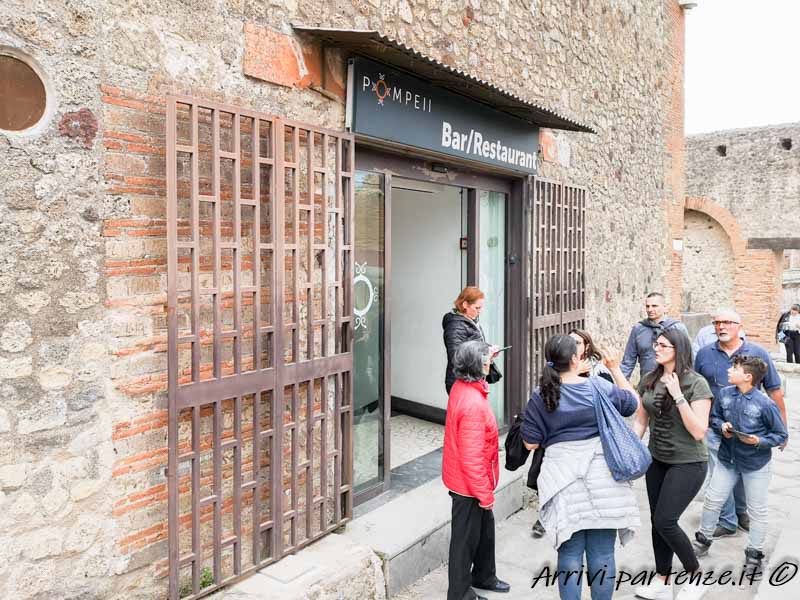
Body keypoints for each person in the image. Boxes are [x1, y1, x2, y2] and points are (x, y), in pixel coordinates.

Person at [522, 334, 642, 600]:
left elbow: (530, 443)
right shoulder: (598, 387)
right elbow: (632, 403)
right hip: (605, 478)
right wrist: (614, 368)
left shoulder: (541, 395)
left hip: (562, 480)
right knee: (602, 552)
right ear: (576, 359)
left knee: (569, 552)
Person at [632, 328, 712, 600]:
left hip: (688, 463)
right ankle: (662, 582)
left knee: (666, 520)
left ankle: (696, 576)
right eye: (656, 344)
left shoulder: (695, 383)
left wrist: (678, 395)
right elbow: (641, 420)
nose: (656, 348)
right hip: (657, 460)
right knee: (657, 522)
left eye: (663, 345)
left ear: (679, 349)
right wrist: (630, 451)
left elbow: (699, 431)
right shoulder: (649, 379)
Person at [693, 355, 788, 580]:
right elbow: (714, 418)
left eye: (734, 368)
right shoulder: (724, 395)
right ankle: (702, 540)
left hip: (756, 464)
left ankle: (754, 553)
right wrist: (721, 426)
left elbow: (781, 435)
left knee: (757, 510)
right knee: (713, 499)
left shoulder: (765, 404)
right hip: (728, 459)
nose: (728, 370)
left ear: (747, 376)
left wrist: (759, 441)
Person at [694, 309, 786, 537]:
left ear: (739, 325)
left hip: (750, 428)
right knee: (720, 472)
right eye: (716, 323)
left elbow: (774, 390)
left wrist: (782, 426)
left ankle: (741, 512)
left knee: (745, 473)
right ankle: (727, 521)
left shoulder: (758, 352)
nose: (720, 327)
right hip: (716, 425)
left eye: (726, 322)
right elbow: (696, 387)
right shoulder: (704, 353)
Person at [442, 340, 510, 600]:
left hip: (467, 480)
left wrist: (487, 353)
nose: (489, 363)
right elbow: (472, 458)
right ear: (475, 365)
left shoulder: (465, 386)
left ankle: (483, 574)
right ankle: (459, 594)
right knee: (464, 541)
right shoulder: (472, 403)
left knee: (484, 531)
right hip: (468, 484)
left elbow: (487, 375)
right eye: (485, 360)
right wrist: (485, 495)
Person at [442, 286, 501, 394]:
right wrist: (485, 353)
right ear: (465, 305)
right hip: (461, 382)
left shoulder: (471, 320)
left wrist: (488, 350)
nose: (480, 311)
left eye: (481, 308)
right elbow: (457, 357)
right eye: (477, 308)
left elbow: (474, 345)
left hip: (472, 378)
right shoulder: (455, 326)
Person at [621, 292, 689, 380]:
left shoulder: (677, 328)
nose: (650, 309)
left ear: (665, 307)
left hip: (673, 381)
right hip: (647, 385)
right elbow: (628, 361)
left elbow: (687, 357)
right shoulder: (638, 329)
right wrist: (620, 384)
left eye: (654, 306)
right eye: (647, 306)